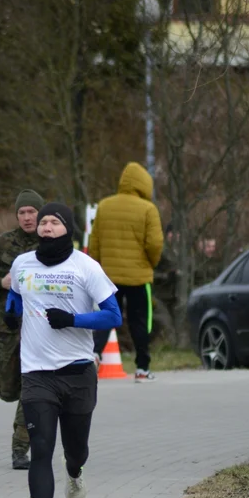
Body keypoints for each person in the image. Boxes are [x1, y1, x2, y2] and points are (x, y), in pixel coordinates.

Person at [5, 203, 122, 498]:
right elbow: (15, 297)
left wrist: (73, 320)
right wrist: (12, 314)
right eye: (43, 222)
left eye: (54, 222)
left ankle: (74, 472)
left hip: (78, 373)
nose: (46, 227)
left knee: (75, 450)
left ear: (67, 229)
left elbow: (112, 315)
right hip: (37, 374)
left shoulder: (86, 267)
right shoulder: (22, 264)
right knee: (41, 449)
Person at [0, 189, 44, 469]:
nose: (27, 217)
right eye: (22, 213)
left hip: (39, 326)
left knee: (31, 387)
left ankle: (20, 450)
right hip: (7, 325)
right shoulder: (2, 244)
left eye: (32, 212)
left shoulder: (52, 243)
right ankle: (8, 389)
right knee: (7, 386)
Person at [88, 162, 164, 381]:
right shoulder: (148, 209)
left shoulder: (105, 206)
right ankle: (142, 369)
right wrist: (150, 263)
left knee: (106, 318)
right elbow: (155, 244)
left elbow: (95, 242)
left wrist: (97, 268)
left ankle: (93, 355)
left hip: (108, 277)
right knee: (140, 322)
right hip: (139, 278)